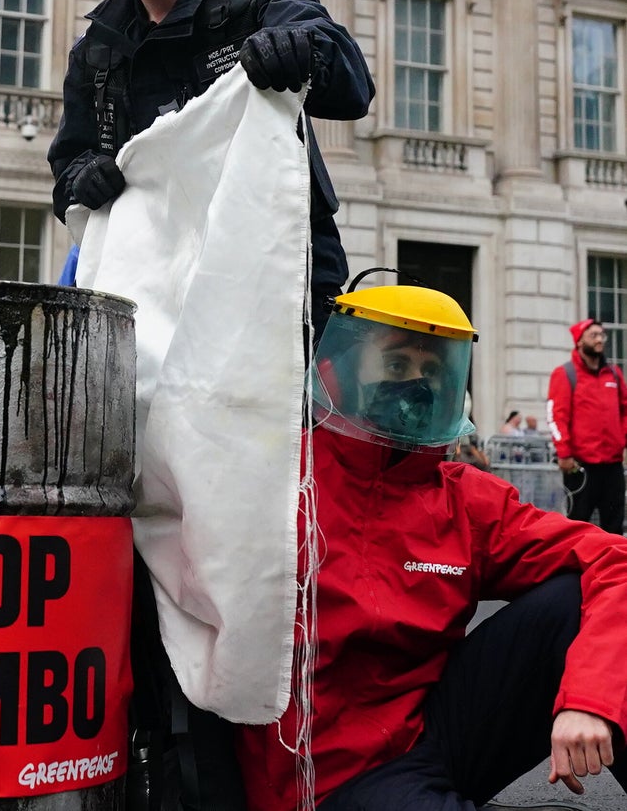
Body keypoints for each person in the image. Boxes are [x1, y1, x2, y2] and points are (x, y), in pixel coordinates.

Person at [234, 283, 627, 811]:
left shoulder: (465, 498)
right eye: (395, 364)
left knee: (576, 603)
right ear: (341, 372)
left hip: (430, 734)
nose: (418, 382)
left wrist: (591, 700)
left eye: (434, 369)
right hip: (327, 775)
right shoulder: (277, 479)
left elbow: (613, 561)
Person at [43, 0, 374, 339]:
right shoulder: (96, 48)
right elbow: (66, 172)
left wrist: (301, 48)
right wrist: (84, 179)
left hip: (279, 277)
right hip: (156, 291)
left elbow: (354, 89)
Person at [546, 317, 627, 534]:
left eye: (602, 335)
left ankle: (614, 567)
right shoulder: (565, 374)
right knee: (577, 527)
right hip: (580, 466)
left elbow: (625, 410)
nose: (600, 339)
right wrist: (564, 452)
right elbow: (556, 416)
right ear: (580, 341)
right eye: (594, 335)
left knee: (615, 525)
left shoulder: (614, 374)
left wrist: (623, 440)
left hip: (612, 465)